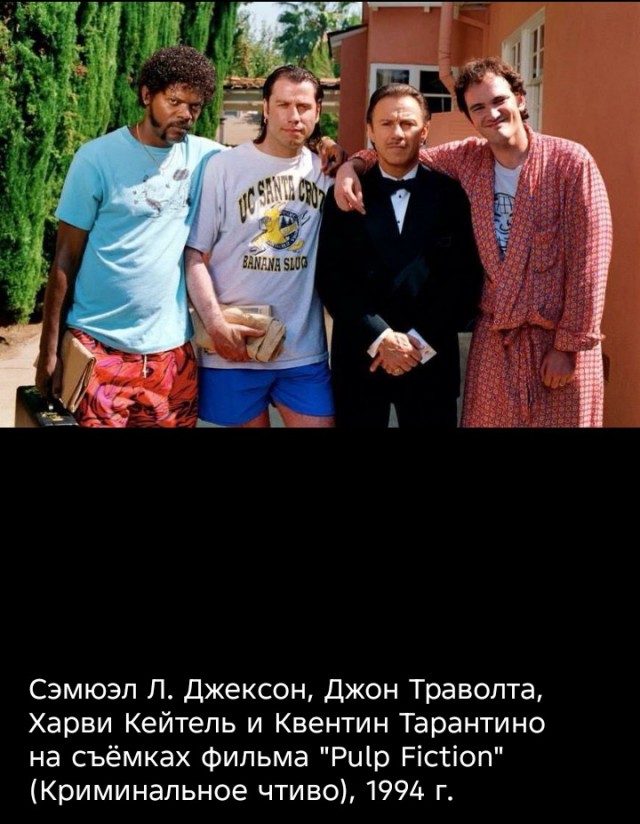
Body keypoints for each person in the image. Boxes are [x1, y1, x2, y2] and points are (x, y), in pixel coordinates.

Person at [335, 57, 612, 428]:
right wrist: (351, 165)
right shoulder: (467, 160)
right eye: (478, 107)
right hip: (496, 345)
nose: (491, 114)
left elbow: (590, 260)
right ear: (469, 117)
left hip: (556, 346)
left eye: (499, 100)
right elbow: (400, 151)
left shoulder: (570, 163)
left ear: (520, 98)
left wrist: (569, 345)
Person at [36, 45, 224, 427]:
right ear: (146, 95)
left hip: (171, 356)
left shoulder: (206, 157)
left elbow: (263, 158)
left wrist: (330, 149)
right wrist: (49, 350)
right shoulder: (96, 158)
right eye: (174, 101)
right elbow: (65, 259)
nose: (185, 115)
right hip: (98, 348)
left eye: (195, 106)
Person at [316, 84, 482, 428]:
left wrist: (415, 343)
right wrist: (380, 338)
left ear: (425, 130)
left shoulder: (452, 195)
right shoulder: (345, 194)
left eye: (407, 123)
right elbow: (332, 277)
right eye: (387, 123)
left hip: (429, 359)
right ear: (370, 130)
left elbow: (464, 279)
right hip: (361, 357)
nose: (397, 133)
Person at [185, 65, 341, 428]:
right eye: (283, 105)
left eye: (303, 106)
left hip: (302, 351)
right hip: (233, 347)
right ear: (266, 108)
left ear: (318, 111)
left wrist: (344, 158)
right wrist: (215, 325)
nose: (294, 116)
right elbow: (194, 255)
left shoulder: (326, 172)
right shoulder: (224, 167)